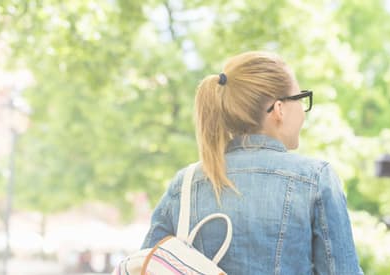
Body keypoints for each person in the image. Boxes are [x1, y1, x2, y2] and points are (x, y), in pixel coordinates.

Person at [139, 51, 362, 274]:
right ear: (279, 109)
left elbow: (145, 265)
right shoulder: (315, 178)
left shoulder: (185, 185)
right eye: (300, 98)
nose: (303, 112)